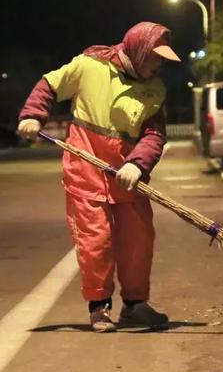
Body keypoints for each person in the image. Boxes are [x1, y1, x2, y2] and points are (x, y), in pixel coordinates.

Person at [17, 22, 181, 332]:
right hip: (86, 168)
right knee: (96, 240)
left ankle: (135, 306)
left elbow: (154, 134)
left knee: (139, 239)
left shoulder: (155, 89)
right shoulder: (89, 66)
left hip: (127, 173)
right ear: (139, 50)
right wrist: (32, 115)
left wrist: (138, 164)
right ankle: (99, 307)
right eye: (155, 57)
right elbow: (49, 86)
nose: (160, 64)